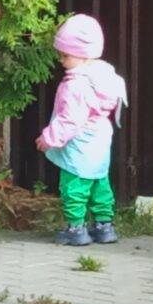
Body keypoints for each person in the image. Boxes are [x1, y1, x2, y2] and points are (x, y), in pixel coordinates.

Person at [37, 14, 128, 246]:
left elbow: (70, 120)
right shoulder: (106, 77)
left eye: (65, 55)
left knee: (74, 185)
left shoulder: (76, 86)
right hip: (99, 139)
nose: (61, 60)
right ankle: (104, 226)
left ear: (82, 54)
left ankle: (75, 228)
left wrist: (49, 138)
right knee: (100, 182)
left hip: (79, 143)